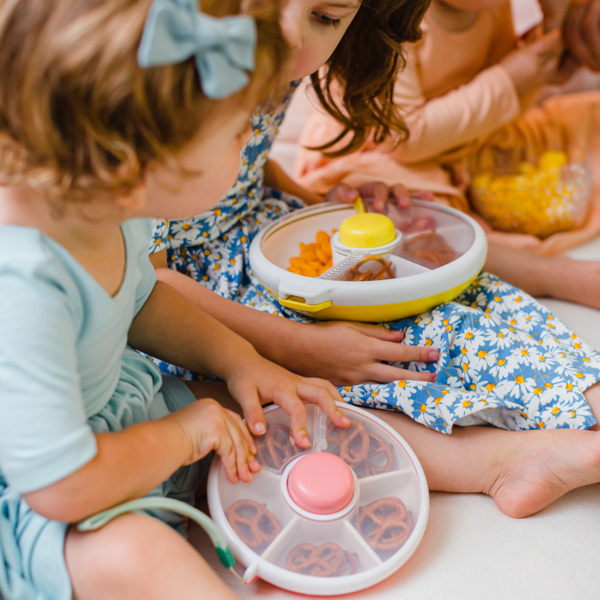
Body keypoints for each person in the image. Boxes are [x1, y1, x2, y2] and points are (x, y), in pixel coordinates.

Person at [146, 0, 600, 521]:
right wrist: (302, 347)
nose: (294, 38)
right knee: (372, 364)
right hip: (192, 303)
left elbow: (247, 160)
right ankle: (504, 463)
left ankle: (588, 393)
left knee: (464, 296)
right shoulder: (170, 83)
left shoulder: (278, 62)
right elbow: (151, 286)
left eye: (327, 19)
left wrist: (316, 205)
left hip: (259, 231)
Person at [0, 2, 350, 599]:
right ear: (137, 167)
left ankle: (495, 465)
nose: (252, 142)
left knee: (283, 411)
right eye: (239, 129)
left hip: (123, 415)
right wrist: (186, 434)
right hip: (45, 498)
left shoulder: (112, 207)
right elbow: (59, 487)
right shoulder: (24, 283)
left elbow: (142, 305)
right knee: (140, 553)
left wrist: (245, 362)